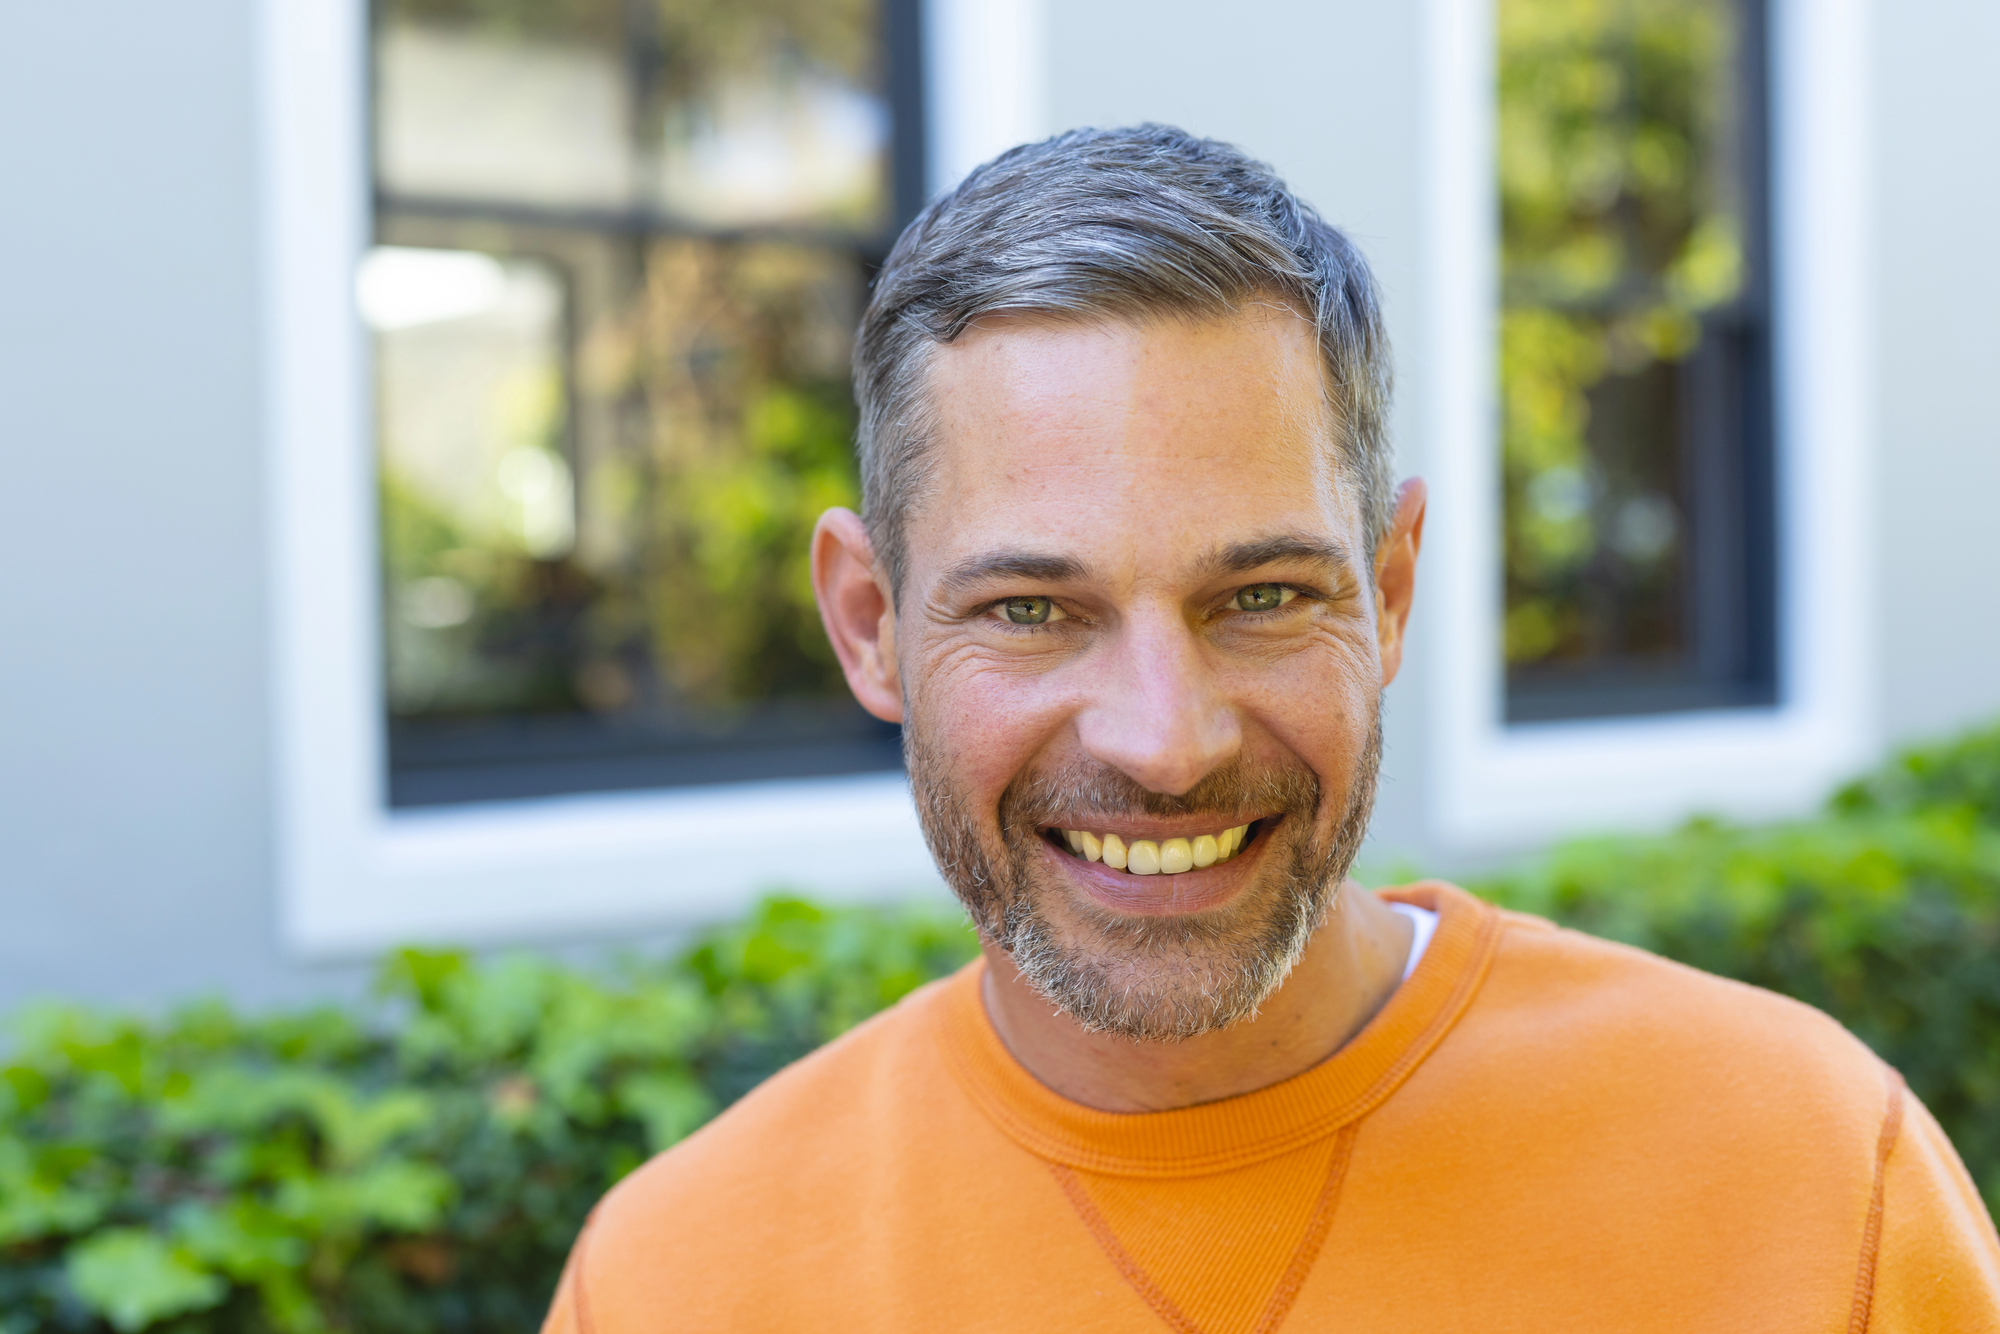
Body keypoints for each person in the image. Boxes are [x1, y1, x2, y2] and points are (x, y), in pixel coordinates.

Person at [540, 125, 2000, 1331]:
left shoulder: (1812, 1179)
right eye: (1034, 611)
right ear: (870, 623)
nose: (1165, 743)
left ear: (1394, 589)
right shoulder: (676, 1280)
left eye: (1261, 593)